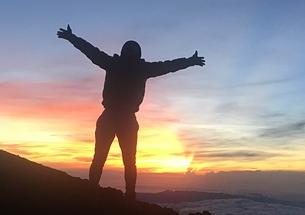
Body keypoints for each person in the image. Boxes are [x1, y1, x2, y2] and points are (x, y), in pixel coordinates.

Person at [57, 25, 205, 201]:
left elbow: (91, 51)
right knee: (124, 161)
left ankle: (97, 191)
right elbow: (168, 66)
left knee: (104, 158)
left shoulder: (114, 64)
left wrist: (71, 37)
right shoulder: (140, 68)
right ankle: (126, 197)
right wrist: (189, 61)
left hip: (113, 118)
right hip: (122, 119)